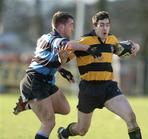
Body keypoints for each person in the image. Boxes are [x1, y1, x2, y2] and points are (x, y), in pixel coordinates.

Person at [16, 11, 101, 139]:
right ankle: (29, 101)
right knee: (49, 122)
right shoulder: (56, 40)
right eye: (71, 24)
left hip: (46, 83)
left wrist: (61, 70)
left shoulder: (45, 37)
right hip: (35, 83)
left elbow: (44, 59)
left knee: (65, 109)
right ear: (61, 27)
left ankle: (27, 104)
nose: (73, 28)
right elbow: (70, 45)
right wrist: (89, 49)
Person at [58, 11, 142, 139]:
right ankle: (65, 133)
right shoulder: (84, 41)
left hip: (109, 88)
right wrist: (62, 58)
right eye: (101, 25)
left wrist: (136, 46)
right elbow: (64, 60)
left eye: (107, 25)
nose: (105, 28)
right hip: (89, 90)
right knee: (81, 130)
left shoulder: (112, 40)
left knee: (131, 118)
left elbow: (125, 49)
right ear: (95, 26)